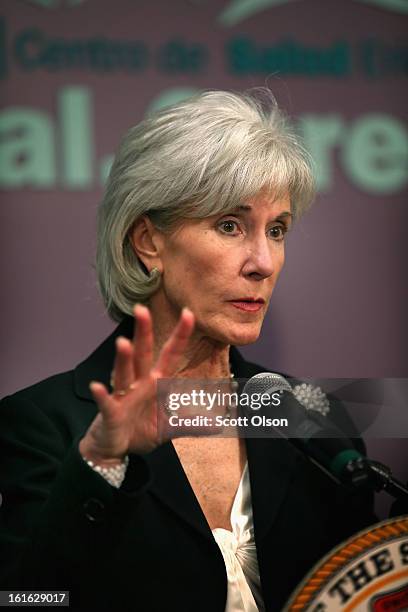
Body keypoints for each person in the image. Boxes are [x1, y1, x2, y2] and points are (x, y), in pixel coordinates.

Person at [0, 89, 377, 612]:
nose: (263, 262)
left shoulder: (313, 421)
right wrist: (101, 463)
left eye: (278, 229)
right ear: (148, 242)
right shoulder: (41, 425)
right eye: (229, 225)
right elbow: (25, 599)